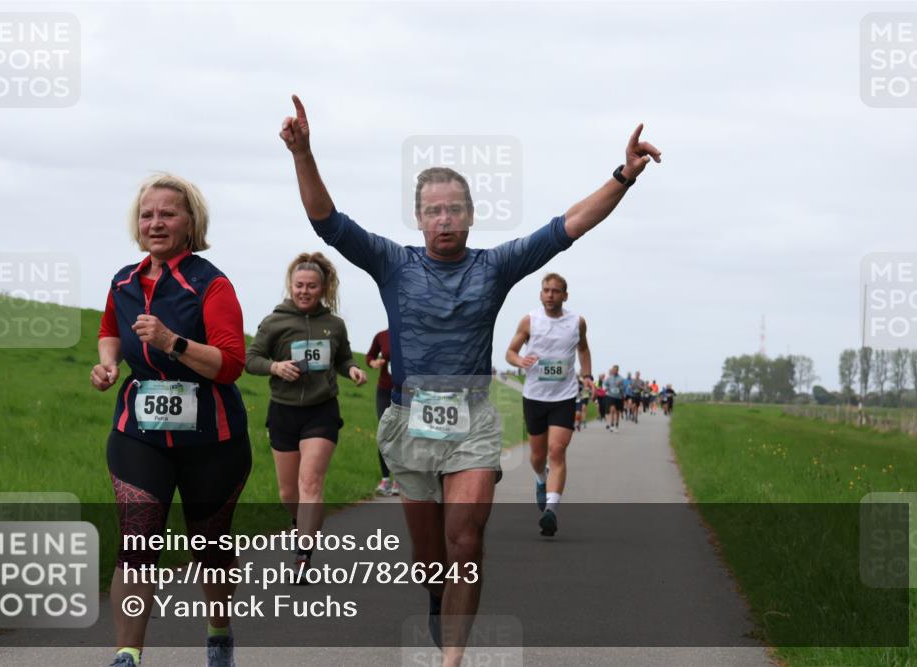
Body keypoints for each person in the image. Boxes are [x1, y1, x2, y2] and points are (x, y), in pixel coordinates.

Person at [279, 94, 660, 664]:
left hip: (472, 420)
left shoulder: (496, 266)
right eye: (433, 210)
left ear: (471, 215)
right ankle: (438, 598)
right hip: (410, 419)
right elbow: (327, 223)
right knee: (431, 557)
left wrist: (622, 177)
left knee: (466, 540)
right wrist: (303, 153)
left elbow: (567, 227)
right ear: (419, 218)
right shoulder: (392, 262)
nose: (444, 218)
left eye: (454, 208)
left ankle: (452, 658)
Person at [90, 173, 250, 667]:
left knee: (211, 548)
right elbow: (109, 329)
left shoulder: (211, 283)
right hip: (139, 433)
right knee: (138, 541)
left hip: (213, 438)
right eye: (147, 214)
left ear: (190, 222)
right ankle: (127, 655)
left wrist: (171, 342)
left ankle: (219, 636)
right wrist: (108, 364)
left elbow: (231, 363)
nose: (155, 222)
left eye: (167, 213)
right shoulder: (123, 280)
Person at [245, 252, 367, 577]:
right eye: (299, 285)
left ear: (323, 289)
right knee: (289, 493)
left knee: (310, 481)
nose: (304, 291)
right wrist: (275, 366)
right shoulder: (275, 322)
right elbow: (251, 358)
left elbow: (342, 358)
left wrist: (352, 368)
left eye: (311, 287)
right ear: (291, 285)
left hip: (321, 410)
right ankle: (301, 521)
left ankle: (303, 555)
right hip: (283, 411)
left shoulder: (334, 325)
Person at [505, 273, 595, 537]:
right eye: (546, 290)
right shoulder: (530, 320)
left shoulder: (576, 322)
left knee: (557, 452)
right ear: (540, 293)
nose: (550, 295)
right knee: (537, 456)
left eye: (556, 291)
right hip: (534, 395)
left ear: (565, 295)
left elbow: (583, 349)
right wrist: (518, 360)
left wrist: (587, 375)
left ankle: (551, 511)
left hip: (564, 396)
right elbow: (510, 351)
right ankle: (540, 479)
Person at [366, 328, 400, 496]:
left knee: (403, 434)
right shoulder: (381, 336)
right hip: (384, 390)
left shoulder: (413, 333)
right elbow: (369, 356)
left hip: (407, 391)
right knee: (384, 432)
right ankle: (385, 479)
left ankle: (400, 480)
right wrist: (373, 363)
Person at [603, 365, 625, 432]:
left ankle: (616, 424)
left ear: (618, 370)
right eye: (613, 370)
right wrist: (606, 389)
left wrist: (620, 386)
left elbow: (623, 388)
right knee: (612, 410)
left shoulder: (621, 379)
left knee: (617, 412)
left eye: (615, 370)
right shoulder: (609, 378)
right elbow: (605, 384)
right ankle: (612, 425)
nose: (614, 371)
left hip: (618, 397)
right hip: (611, 396)